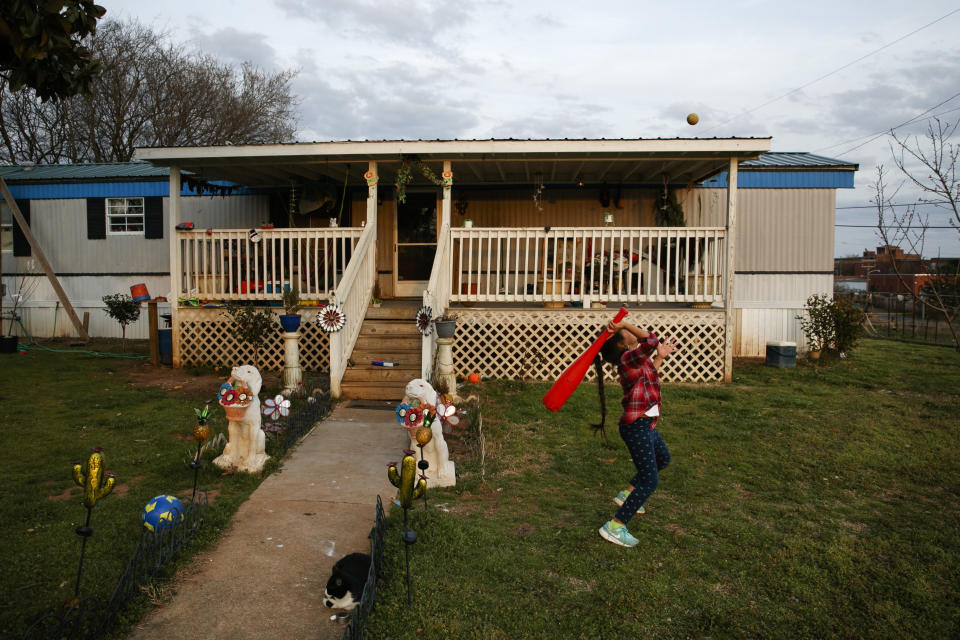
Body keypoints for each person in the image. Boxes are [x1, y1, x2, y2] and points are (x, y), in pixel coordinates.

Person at [593, 316, 678, 548]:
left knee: (663, 458)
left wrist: (660, 357)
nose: (633, 333)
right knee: (650, 480)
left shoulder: (633, 361)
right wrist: (624, 325)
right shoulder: (628, 358)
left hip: (645, 425)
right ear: (622, 343)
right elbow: (650, 340)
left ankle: (626, 495)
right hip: (636, 427)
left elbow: (649, 374)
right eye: (628, 334)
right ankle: (615, 526)